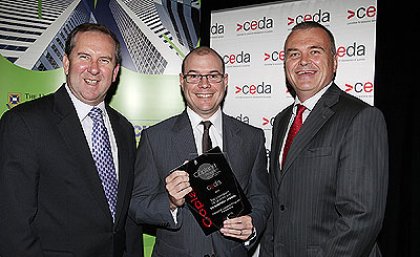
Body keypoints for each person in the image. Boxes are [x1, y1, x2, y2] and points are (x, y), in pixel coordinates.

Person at [0, 23, 143, 257]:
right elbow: (12, 226)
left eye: (104, 60)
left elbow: (124, 218)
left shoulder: (124, 129)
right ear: (66, 63)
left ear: (115, 72)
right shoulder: (24, 123)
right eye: (84, 57)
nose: (94, 69)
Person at [259, 21, 389, 257]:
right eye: (294, 54)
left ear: (335, 61)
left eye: (315, 51)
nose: (304, 61)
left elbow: (361, 217)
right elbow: (279, 204)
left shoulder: (361, 117)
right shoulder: (281, 121)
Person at [129, 46, 271, 257]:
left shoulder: (253, 137)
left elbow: (261, 195)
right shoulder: (155, 138)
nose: (204, 84)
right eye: (194, 76)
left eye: (213, 75)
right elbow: (137, 205)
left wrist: (252, 223)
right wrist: (170, 202)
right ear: (181, 80)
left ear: (225, 80)